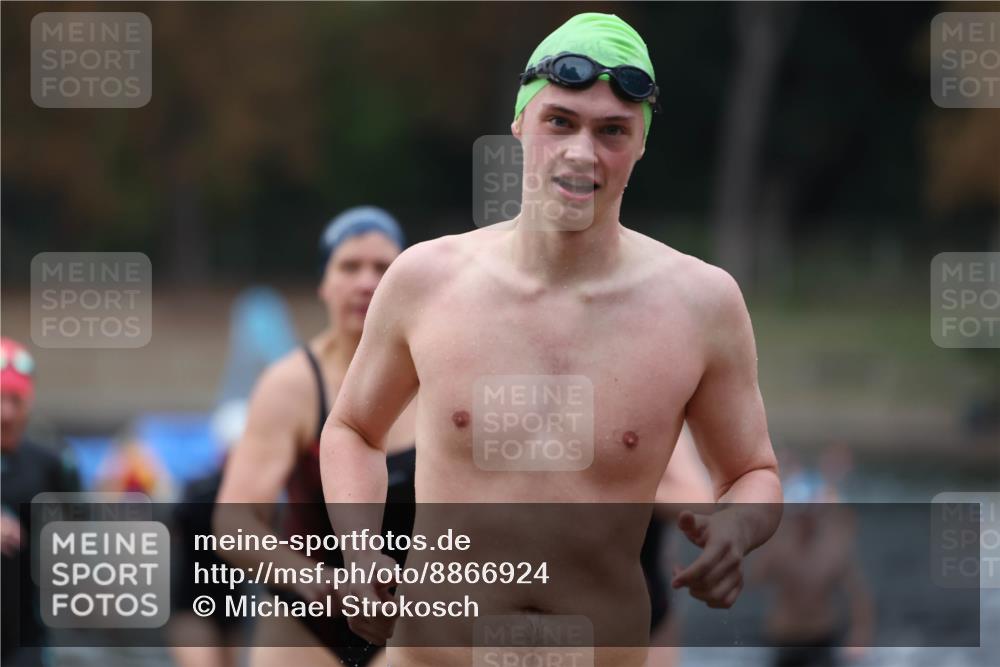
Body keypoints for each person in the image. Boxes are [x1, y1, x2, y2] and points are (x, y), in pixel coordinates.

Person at [320, 12, 782, 667]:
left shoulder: (701, 303)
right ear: (520, 126)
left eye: (612, 131)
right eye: (560, 121)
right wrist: (362, 550)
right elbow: (353, 430)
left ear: (641, 143)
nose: (580, 153)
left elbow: (753, 472)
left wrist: (736, 527)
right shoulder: (426, 279)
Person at [215, 207, 416, 667]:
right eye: (349, 267)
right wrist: (322, 585)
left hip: (412, 624)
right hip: (303, 624)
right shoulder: (292, 384)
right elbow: (234, 524)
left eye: (383, 268)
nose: (366, 282)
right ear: (324, 284)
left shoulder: (435, 378)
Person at [1, 337, 80, 667]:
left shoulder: (48, 462)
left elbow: (81, 527)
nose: (5, 413)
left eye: (15, 400)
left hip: (25, 634)